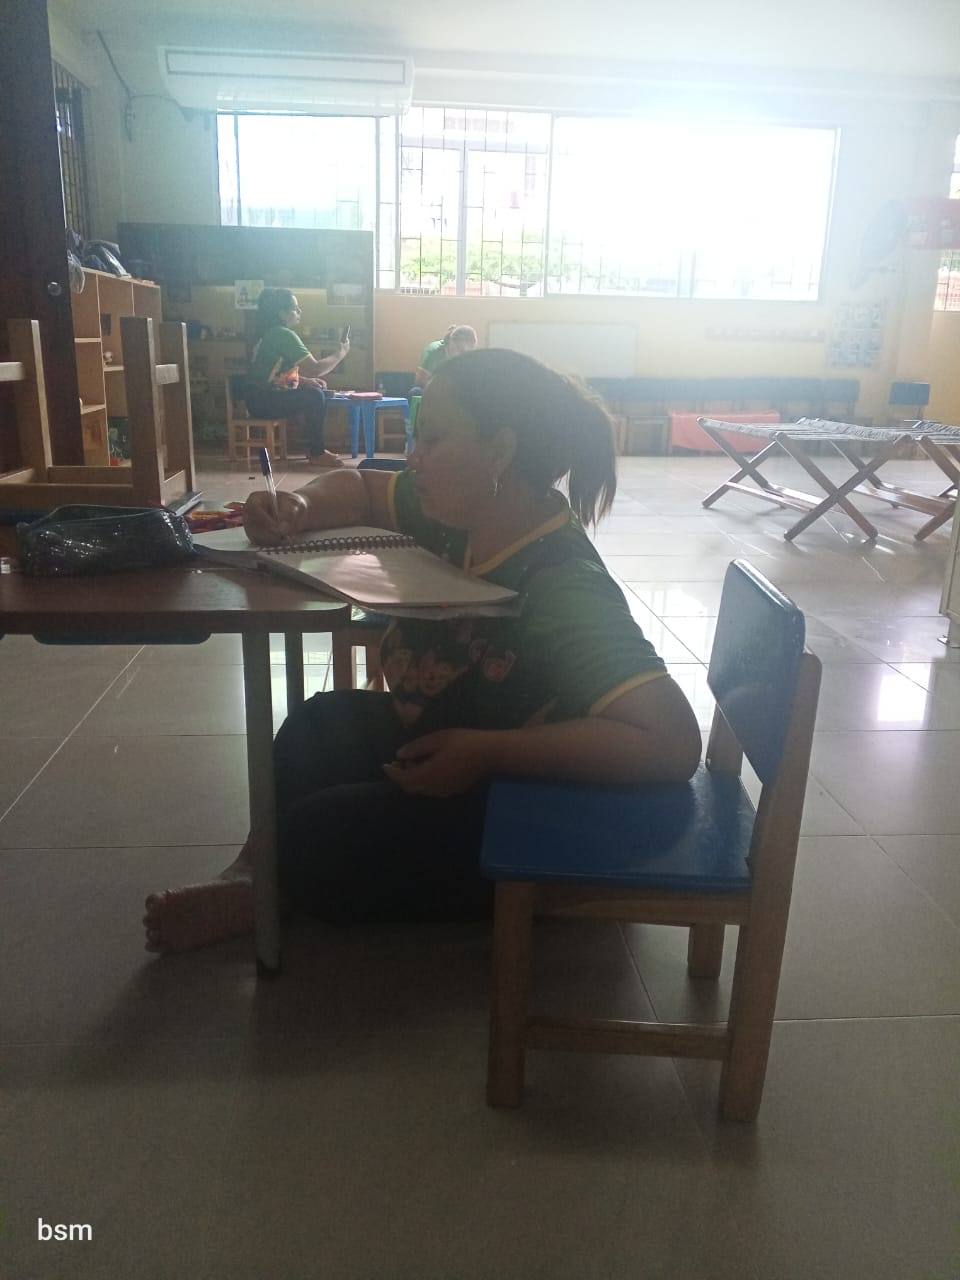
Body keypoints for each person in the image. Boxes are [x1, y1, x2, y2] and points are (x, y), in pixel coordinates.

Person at [143, 348, 702, 953]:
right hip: (459, 745)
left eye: (432, 439)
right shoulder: (458, 510)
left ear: (499, 451)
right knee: (315, 725)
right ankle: (253, 879)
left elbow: (671, 742)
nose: (414, 458)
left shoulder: (564, 584)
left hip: (532, 799)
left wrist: (489, 753)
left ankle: (281, 886)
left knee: (319, 835)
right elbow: (360, 487)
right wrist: (301, 505)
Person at [244, 287, 350, 468]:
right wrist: (341, 353)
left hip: (256, 399)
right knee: (314, 396)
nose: (299, 311)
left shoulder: (269, 333)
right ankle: (316, 453)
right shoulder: (282, 334)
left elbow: (277, 376)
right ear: (281, 313)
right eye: (294, 308)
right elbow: (315, 368)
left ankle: (314, 449)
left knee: (313, 391)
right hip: (263, 400)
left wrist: (306, 382)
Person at [415, 324, 477, 389]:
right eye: (461, 351)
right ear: (451, 343)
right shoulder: (434, 352)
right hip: (430, 386)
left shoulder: (464, 357)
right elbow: (420, 381)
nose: (464, 356)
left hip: (449, 386)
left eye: (467, 353)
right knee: (416, 391)